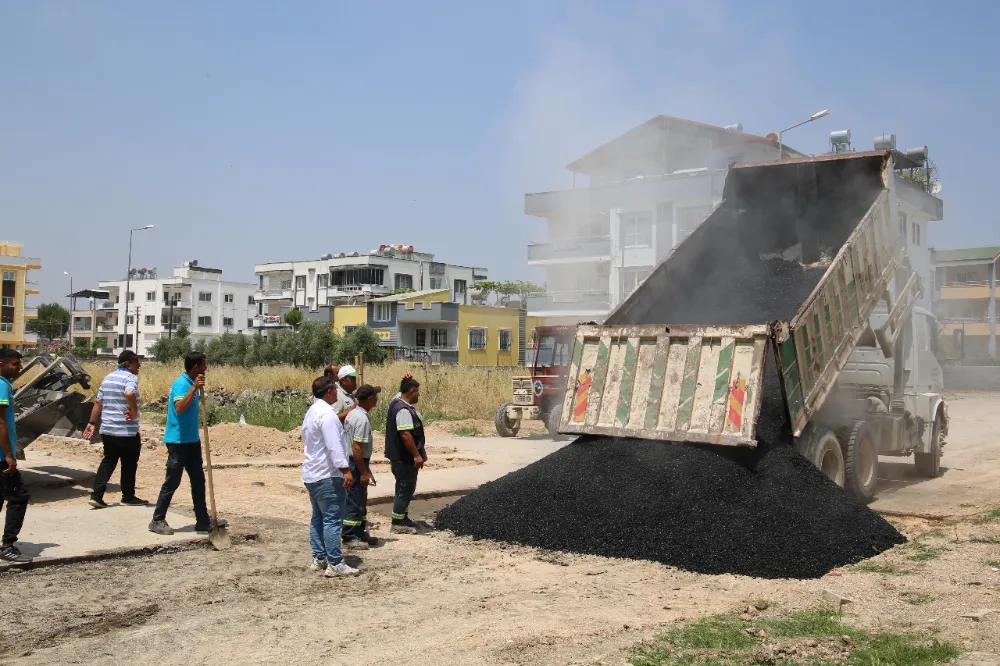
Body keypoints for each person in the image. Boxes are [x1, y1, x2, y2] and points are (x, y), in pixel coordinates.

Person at [149, 351, 227, 536]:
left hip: (192, 440)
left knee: (198, 480)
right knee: (172, 481)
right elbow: (179, 409)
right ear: (195, 367)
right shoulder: (181, 384)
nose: (206, 370)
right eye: (204, 367)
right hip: (178, 441)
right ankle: (157, 519)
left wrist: (196, 388)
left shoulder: (192, 384)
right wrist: (193, 389)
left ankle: (202, 520)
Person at [302, 375, 359, 577]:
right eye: (335, 389)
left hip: (312, 474)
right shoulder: (327, 415)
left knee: (318, 517)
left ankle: (320, 557)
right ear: (328, 391)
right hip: (327, 475)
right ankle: (335, 562)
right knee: (332, 520)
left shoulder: (312, 411)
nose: (337, 392)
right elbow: (334, 445)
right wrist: (345, 470)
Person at [83, 350, 148, 508]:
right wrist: (133, 411)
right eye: (136, 362)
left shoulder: (108, 378)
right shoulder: (130, 377)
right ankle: (128, 496)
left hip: (108, 429)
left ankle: (96, 496)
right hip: (127, 431)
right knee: (129, 464)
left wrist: (91, 423)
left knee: (108, 461)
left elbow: (99, 403)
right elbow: (129, 392)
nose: (139, 365)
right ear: (128, 364)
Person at [0, 349, 31, 563]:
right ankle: (8, 546)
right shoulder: (2, 385)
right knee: (19, 496)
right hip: (1, 456)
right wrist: (9, 455)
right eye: (14, 364)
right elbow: (0, 422)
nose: (18, 369)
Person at [384, 376, 426, 534]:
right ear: (411, 391)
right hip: (404, 458)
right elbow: (405, 435)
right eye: (417, 392)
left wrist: (404, 379)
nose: (419, 395)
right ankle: (397, 523)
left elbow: (398, 393)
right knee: (405, 487)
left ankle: (402, 516)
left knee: (405, 487)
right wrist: (416, 455)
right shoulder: (403, 410)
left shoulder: (396, 401)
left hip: (400, 457)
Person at [342, 384, 381, 549]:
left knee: (360, 499)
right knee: (355, 499)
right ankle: (350, 536)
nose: (377, 398)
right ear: (370, 399)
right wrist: (363, 472)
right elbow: (357, 448)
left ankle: (359, 532)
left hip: (355, 461)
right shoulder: (362, 419)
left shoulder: (353, 414)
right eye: (376, 396)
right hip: (356, 462)